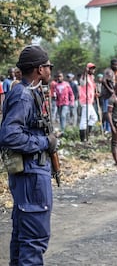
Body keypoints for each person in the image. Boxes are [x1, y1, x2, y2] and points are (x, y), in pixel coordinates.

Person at [0, 45, 58, 265]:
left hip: (30, 173)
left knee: (24, 237)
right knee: (34, 239)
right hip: (31, 174)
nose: (50, 69)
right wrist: (45, 142)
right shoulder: (24, 95)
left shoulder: (28, 91)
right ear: (38, 69)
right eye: (47, 66)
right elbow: (9, 135)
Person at [79, 63, 98, 141]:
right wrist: (84, 73)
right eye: (91, 68)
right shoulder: (85, 77)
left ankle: (87, 133)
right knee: (84, 120)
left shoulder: (91, 77)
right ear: (88, 69)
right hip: (85, 101)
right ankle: (83, 138)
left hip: (90, 101)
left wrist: (95, 93)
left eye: (93, 68)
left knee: (94, 118)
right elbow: (82, 84)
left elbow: (91, 88)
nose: (93, 70)